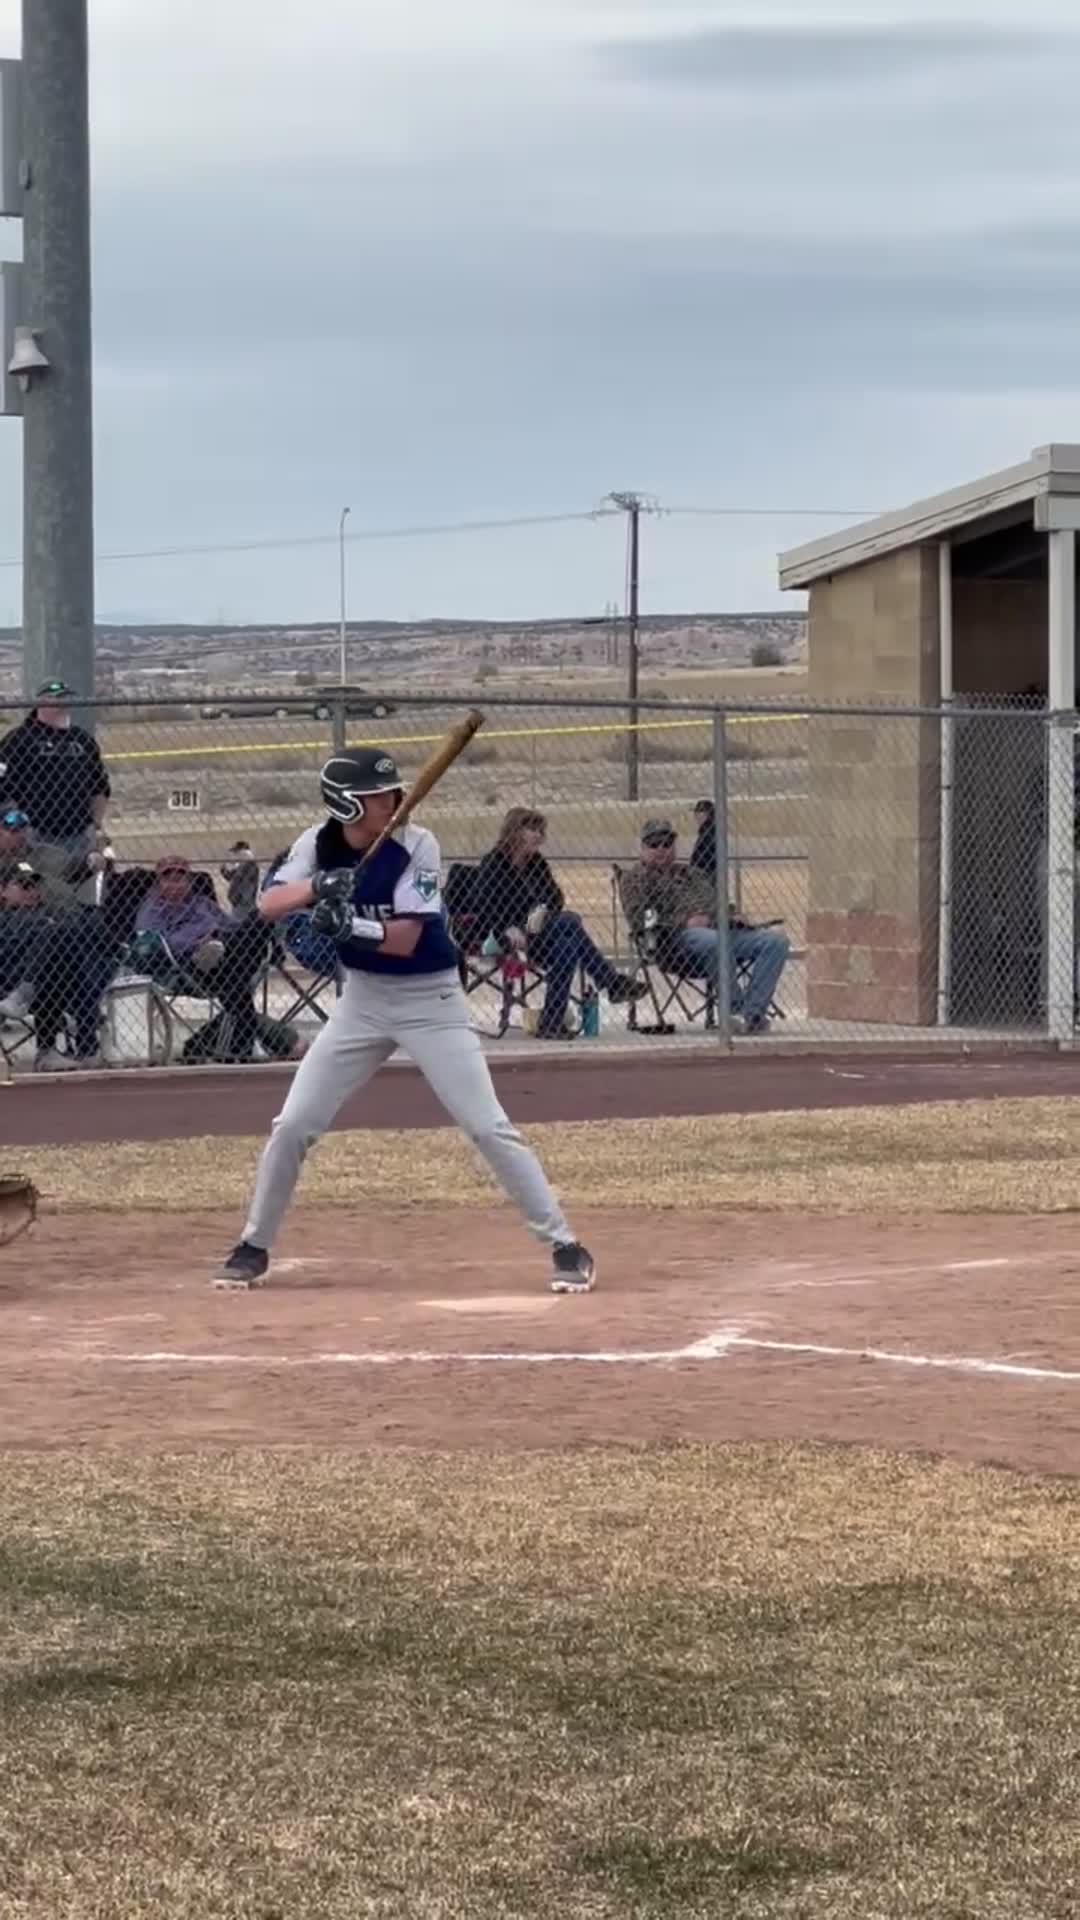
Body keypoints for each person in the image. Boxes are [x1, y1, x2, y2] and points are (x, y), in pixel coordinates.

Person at [215, 748, 596, 1293]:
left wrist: (348, 927)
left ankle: (565, 1244)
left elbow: (406, 938)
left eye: (395, 793)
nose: (394, 803)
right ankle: (254, 1244)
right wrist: (318, 889)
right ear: (345, 806)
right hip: (361, 1003)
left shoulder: (417, 844)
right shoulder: (316, 843)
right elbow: (271, 903)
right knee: (293, 1125)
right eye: (379, 797)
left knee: (487, 1125)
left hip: (431, 1001)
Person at [472, 807, 644, 1038]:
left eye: (540, 830)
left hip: (541, 932)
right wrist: (508, 927)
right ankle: (610, 983)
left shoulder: (537, 864)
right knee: (570, 926)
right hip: (507, 938)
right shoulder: (494, 863)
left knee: (567, 943)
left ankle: (552, 1024)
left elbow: (556, 898)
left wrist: (542, 911)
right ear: (514, 831)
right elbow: (483, 905)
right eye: (532, 829)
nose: (538, 835)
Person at [619, 818, 790, 1034]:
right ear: (643, 848)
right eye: (654, 844)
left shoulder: (693, 874)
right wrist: (684, 921)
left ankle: (753, 1015)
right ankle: (734, 1012)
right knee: (713, 940)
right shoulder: (635, 879)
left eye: (667, 843)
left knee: (775, 941)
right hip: (675, 941)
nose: (661, 849)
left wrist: (733, 915)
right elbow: (640, 919)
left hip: (720, 930)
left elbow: (717, 903)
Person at [133, 855, 279, 1064]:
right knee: (234, 975)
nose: (175, 883)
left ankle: (232, 1043)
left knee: (259, 921)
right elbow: (151, 942)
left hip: (226, 956)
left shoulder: (203, 903)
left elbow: (232, 925)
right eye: (169, 878)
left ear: (189, 881)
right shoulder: (153, 910)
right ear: (159, 883)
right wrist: (197, 943)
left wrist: (223, 935)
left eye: (180, 878)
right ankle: (241, 1044)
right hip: (187, 966)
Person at [0, 680, 111, 866]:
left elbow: (99, 786)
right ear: (41, 701)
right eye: (57, 698)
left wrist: (95, 825)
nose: (64, 703)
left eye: (67, 697)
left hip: (78, 832)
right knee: (36, 883)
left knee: (75, 883)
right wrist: (13, 826)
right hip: (34, 832)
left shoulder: (81, 739)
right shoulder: (19, 739)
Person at [689, 799, 716, 874]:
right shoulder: (706, 830)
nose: (695, 815)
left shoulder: (709, 831)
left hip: (705, 872)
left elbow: (705, 854)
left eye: (699, 812)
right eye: (696, 812)